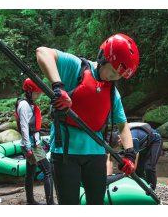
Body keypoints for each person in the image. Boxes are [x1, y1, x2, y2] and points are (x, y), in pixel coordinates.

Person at [36, 33, 140, 205]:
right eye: (113, 71)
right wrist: (58, 87)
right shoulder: (76, 67)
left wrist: (129, 153)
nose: (114, 77)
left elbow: (122, 125)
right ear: (103, 58)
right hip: (65, 153)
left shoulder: (112, 92)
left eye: (119, 76)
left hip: (96, 154)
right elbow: (42, 52)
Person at [15, 78, 54, 205]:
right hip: (31, 145)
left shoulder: (29, 104)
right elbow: (24, 127)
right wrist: (28, 148)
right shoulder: (24, 105)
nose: (38, 95)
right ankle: (50, 203)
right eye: (36, 93)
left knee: (31, 172)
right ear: (29, 91)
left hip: (32, 144)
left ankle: (30, 201)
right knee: (48, 171)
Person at [106, 122, 162, 190]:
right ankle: (140, 187)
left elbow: (133, 163)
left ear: (120, 140)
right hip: (142, 143)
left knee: (149, 167)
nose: (118, 148)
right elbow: (109, 160)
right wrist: (107, 179)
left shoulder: (132, 139)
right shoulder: (112, 138)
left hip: (154, 140)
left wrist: (126, 174)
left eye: (118, 146)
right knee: (139, 169)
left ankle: (152, 189)